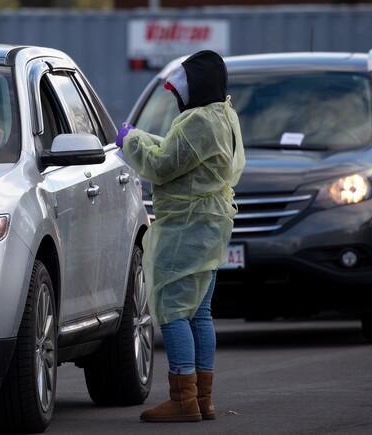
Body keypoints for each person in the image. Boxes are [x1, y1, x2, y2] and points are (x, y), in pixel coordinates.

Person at [116, 50, 245, 423]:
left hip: (186, 226)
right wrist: (145, 137)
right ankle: (203, 399)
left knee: (172, 310)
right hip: (213, 224)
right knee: (200, 312)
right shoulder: (224, 116)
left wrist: (131, 141)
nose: (178, 97)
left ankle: (182, 399)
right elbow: (183, 152)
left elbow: (161, 165)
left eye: (179, 90)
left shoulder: (197, 121)